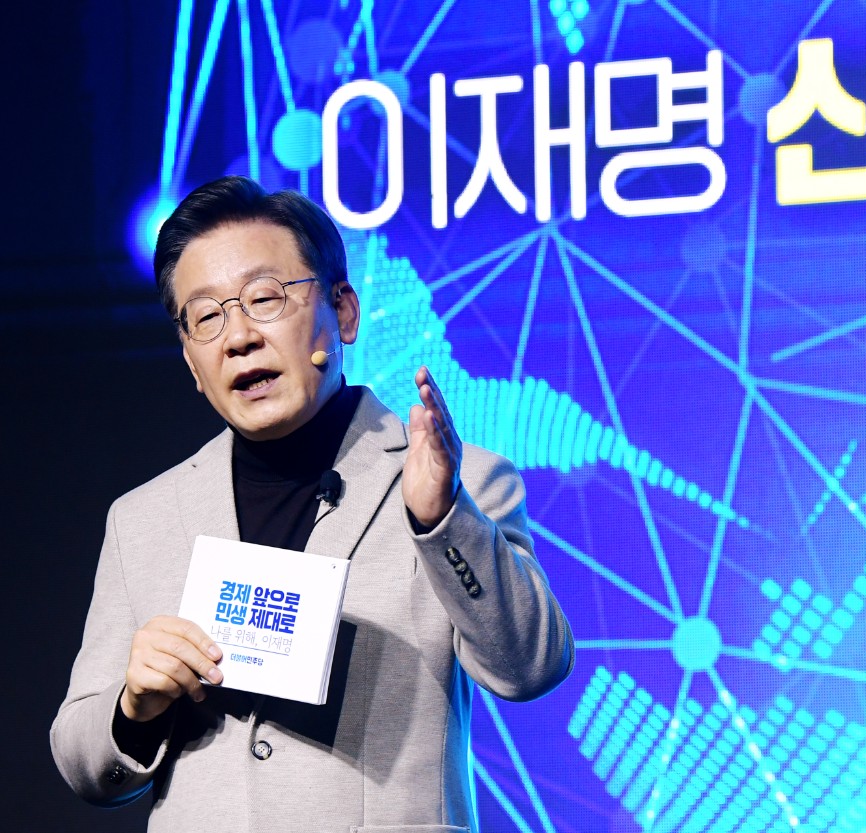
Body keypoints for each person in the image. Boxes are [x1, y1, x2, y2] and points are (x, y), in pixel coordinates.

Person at [50, 176, 575, 832]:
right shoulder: (143, 518)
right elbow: (81, 758)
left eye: (264, 298)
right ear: (191, 360)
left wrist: (441, 520)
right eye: (207, 317)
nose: (238, 337)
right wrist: (134, 706)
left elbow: (530, 666)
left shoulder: (459, 480)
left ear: (343, 311)